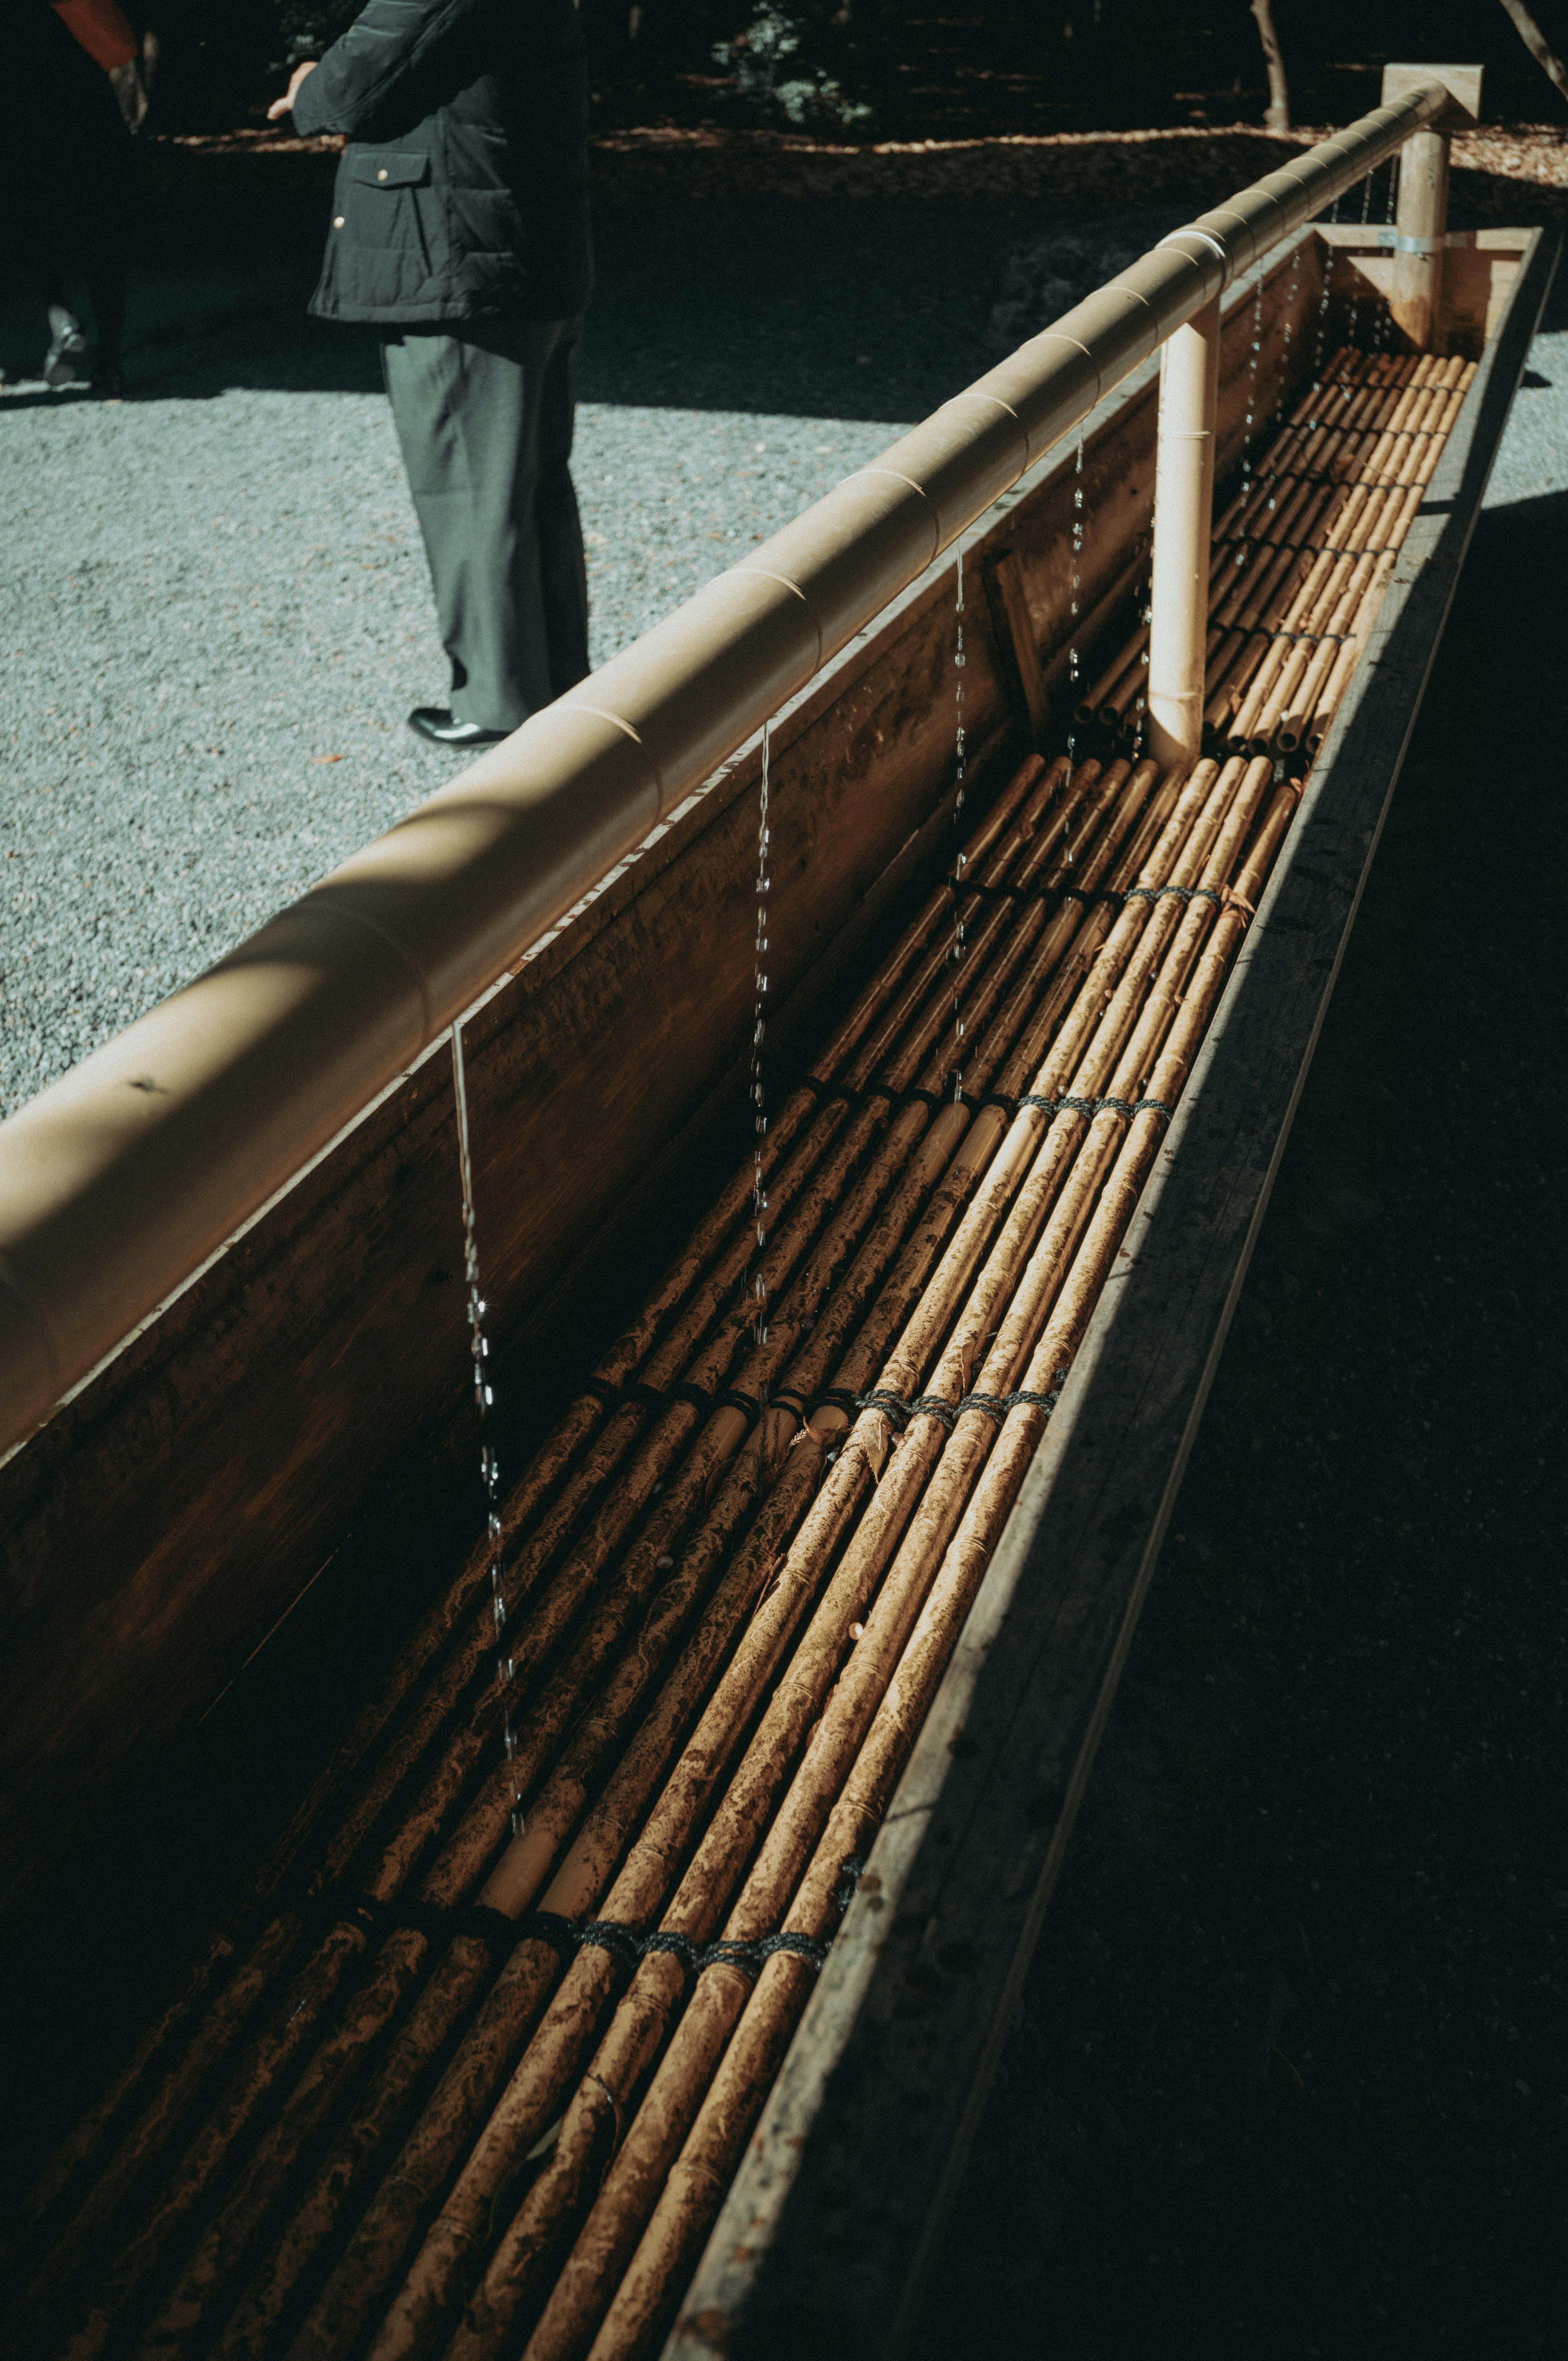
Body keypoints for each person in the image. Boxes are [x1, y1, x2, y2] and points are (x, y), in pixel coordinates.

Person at [271, 0, 593, 748]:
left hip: (459, 250)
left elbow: (364, 75)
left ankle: (498, 698)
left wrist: (311, 86)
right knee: (530, 485)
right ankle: (560, 685)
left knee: (470, 488)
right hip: (524, 238)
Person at [4, 3, 138, 397]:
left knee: (32, 225)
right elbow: (119, 50)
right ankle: (110, 364)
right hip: (88, 109)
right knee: (105, 234)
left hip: (21, 116)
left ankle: (62, 319)